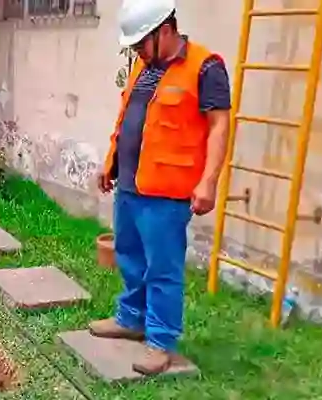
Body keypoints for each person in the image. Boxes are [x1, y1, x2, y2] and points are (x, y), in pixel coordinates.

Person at [91, 0, 231, 375]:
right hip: (131, 184)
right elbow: (129, 118)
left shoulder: (206, 67)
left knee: (162, 268)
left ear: (164, 31)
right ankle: (131, 318)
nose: (137, 51)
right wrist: (112, 163)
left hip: (169, 193)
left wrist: (209, 182)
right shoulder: (144, 66)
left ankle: (161, 340)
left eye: (140, 44)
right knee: (130, 255)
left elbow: (219, 126)